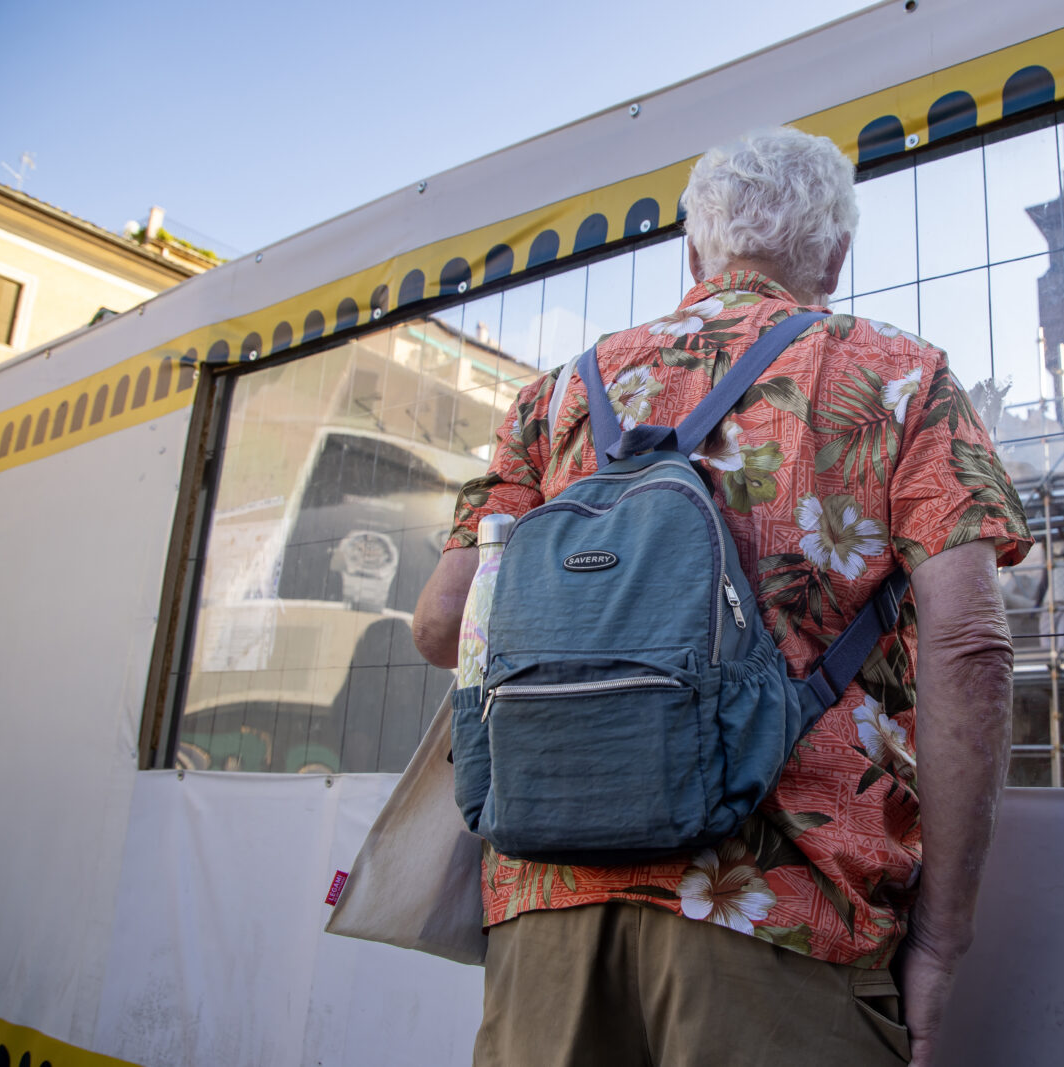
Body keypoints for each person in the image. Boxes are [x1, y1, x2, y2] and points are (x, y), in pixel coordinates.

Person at [413, 127, 1032, 1066]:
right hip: (784, 911)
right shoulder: (899, 379)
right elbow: (970, 647)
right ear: (835, 256)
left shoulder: (558, 398)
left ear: (693, 252)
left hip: (547, 903)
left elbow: (440, 625)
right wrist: (941, 941)